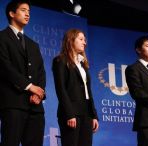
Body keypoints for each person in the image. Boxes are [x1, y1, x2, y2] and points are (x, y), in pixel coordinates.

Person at [0, 0, 46, 146]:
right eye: (23, 10)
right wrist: (29, 86)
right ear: (12, 13)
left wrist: (39, 93)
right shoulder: (2, 38)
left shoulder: (33, 44)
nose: (27, 14)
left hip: (35, 108)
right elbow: (5, 67)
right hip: (13, 104)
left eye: (29, 11)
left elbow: (41, 72)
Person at [52, 29, 99, 146]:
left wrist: (94, 115)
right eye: (81, 39)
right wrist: (69, 114)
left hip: (87, 114)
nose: (85, 43)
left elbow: (89, 92)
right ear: (71, 40)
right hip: (71, 113)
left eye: (85, 40)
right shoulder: (60, 61)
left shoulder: (83, 64)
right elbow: (61, 89)